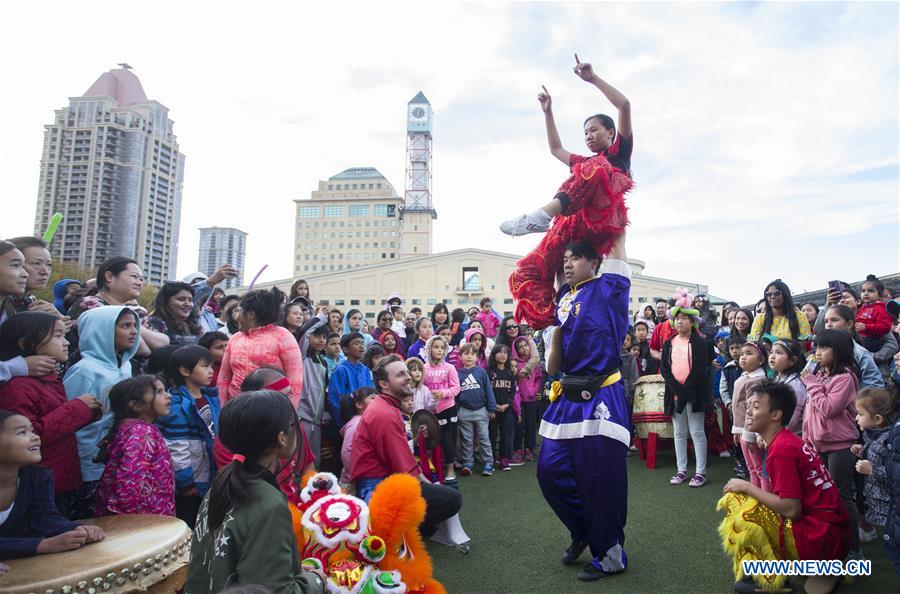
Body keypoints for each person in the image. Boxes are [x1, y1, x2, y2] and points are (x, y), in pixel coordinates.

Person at [505, 56, 633, 330]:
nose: (588, 136)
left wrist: (592, 79)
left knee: (593, 166)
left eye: (594, 130)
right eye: (584, 132)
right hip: (576, 222)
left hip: (604, 222)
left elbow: (624, 105)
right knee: (527, 270)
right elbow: (555, 149)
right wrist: (547, 112)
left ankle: (543, 214)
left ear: (610, 133)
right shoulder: (585, 163)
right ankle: (555, 325)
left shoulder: (615, 155)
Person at [537, 234, 631, 582]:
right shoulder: (562, 299)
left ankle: (610, 554)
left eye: (575, 257)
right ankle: (583, 532)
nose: (567, 262)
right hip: (566, 397)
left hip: (602, 396)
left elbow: (619, 241)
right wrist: (553, 336)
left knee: (601, 482)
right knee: (549, 471)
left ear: (595, 262)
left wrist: (615, 189)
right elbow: (552, 367)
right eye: (566, 258)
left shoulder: (611, 288)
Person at [185, 391, 325, 594]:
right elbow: (274, 591)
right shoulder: (270, 507)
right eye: (296, 422)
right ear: (282, 438)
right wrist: (315, 581)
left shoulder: (224, 480)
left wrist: (292, 570)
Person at [720, 380, 849, 594]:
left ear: (775, 415)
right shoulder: (787, 440)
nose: (748, 411)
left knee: (741, 507)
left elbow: (791, 509)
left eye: (755, 406)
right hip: (830, 534)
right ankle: (824, 568)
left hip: (819, 537)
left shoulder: (782, 449)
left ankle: (776, 579)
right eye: (748, 405)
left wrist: (746, 486)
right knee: (753, 501)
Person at [0, 313, 101, 516]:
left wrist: (88, 412)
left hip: (59, 477)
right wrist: (78, 409)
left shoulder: (48, 379)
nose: (65, 343)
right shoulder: (16, 387)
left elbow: (54, 424)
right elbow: (31, 434)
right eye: (57, 336)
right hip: (40, 482)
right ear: (26, 343)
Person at [349, 356, 462, 536]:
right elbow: (403, 467)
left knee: (440, 494)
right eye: (401, 374)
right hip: (378, 487)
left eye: (407, 372)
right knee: (452, 499)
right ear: (384, 384)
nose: (408, 377)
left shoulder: (387, 407)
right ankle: (402, 530)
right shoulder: (384, 413)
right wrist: (430, 486)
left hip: (386, 479)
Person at [62, 306, 140, 518]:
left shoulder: (126, 366)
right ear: (101, 332)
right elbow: (69, 420)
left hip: (118, 458)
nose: (133, 331)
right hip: (88, 465)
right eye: (125, 326)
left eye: (135, 325)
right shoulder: (85, 370)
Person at [0, 410, 105, 559]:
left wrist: (78, 529)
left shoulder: (37, 477)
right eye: (22, 432)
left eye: (33, 431)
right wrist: (40, 545)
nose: (35, 437)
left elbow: (45, 519)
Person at [802, 328, 862, 558]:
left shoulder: (844, 377)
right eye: (816, 347)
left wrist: (810, 383)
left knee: (841, 496)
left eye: (824, 348)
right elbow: (811, 413)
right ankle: (834, 543)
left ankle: (854, 550)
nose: (818, 353)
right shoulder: (820, 376)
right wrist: (807, 438)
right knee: (825, 497)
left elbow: (828, 409)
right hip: (818, 446)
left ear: (839, 351)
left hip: (840, 447)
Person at [157, 345, 220, 527]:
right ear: (184, 370)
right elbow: (177, 447)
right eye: (204, 366)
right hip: (192, 481)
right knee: (190, 522)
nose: (210, 371)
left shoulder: (209, 397)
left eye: (210, 366)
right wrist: (185, 482)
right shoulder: (179, 405)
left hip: (207, 474)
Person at [94, 375, 174, 516]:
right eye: (159, 392)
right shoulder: (142, 433)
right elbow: (130, 482)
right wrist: (130, 522)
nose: (168, 396)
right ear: (136, 405)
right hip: (142, 522)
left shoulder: (132, 428)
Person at [217, 288, 304, 408]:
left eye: (240, 310)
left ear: (251, 314)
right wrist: (223, 410)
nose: (236, 317)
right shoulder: (235, 339)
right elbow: (224, 379)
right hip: (235, 411)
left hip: (270, 412)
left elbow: (295, 382)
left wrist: (287, 416)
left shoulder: (283, 337)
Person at [659, 297, 710, 488]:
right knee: (679, 432)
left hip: (694, 393)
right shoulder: (669, 343)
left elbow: (699, 369)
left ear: (692, 322)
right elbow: (665, 369)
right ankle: (682, 470)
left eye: (685, 318)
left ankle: (700, 472)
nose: (680, 321)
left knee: (696, 431)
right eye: (677, 318)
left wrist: (685, 390)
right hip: (674, 395)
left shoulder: (699, 342)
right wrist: (678, 391)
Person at [852, 387, 894, 545]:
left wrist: (871, 470)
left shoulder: (888, 440)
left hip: (888, 508)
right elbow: (875, 455)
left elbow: (894, 472)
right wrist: (862, 451)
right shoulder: (872, 435)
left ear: (877, 419)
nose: (856, 418)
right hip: (876, 504)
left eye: (861, 414)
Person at [423, 335, 461, 482]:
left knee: (447, 441)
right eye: (435, 347)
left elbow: (456, 388)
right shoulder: (424, 368)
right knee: (431, 442)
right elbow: (420, 387)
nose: (439, 350)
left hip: (447, 409)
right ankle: (433, 469)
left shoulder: (450, 367)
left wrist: (444, 393)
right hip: (429, 412)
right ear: (429, 349)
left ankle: (450, 469)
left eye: (442, 347)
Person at [456, 342, 497, 477]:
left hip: (481, 410)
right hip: (464, 411)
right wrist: (456, 411)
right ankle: (468, 462)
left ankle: (488, 463)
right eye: (466, 354)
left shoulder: (481, 372)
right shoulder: (457, 373)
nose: (469, 357)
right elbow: (456, 394)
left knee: (484, 438)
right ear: (460, 356)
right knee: (466, 439)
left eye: (473, 354)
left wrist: (491, 408)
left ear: (477, 357)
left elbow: (488, 390)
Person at [821, 305, 886, 388]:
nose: (829, 325)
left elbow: (875, 385)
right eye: (826, 321)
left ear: (849, 324)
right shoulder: (820, 352)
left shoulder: (860, 353)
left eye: (834, 320)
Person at [327, 332, 373, 428]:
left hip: (366, 420)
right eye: (356, 343)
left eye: (362, 343)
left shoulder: (365, 370)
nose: (361, 346)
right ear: (345, 349)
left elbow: (371, 394)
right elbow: (335, 400)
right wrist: (344, 425)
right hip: (348, 422)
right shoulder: (341, 370)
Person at [299, 325, 330, 465]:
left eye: (324, 337)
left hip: (317, 418)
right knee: (300, 458)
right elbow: (306, 331)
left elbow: (324, 389)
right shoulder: (303, 355)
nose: (321, 340)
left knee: (314, 460)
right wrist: (321, 317)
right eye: (317, 336)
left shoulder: (323, 362)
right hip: (302, 415)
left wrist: (325, 412)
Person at [338, 387, 376, 490]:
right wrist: (357, 473)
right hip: (352, 484)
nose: (378, 400)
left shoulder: (367, 422)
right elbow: (346, 452)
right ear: (359, 404)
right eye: (373, 398)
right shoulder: (356, 424)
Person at [512, 334, 543, 463]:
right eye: (520, 347)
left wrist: (535, 390)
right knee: (519, 425)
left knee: (530, 425)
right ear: (516, 350)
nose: (524, 349)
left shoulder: (534, 362)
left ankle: (529, 449)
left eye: (525, 346)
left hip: (531, 399)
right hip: (518, 400)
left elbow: (538, 378)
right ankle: (517, 449)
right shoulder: (514, 363)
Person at [6, 237, 56, 315]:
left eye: (49, 265)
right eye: (36, 263)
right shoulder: (4, 305)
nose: (45, 272)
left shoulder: (31, 302)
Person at [768, 339, 807, 435]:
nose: (772, 356)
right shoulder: (775, 379)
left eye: (778, 352)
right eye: (771, 352)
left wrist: (774, 435)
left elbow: (792, 418)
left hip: (789, 435)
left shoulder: (796, 384)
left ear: (792, 361)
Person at [146, 281, 203, 346]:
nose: (187, 304)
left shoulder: (194, 325)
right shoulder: (155, 324)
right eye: (181, 299)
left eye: (190, 300)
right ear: (166, 302)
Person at [488, 344, 517, 471]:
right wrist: (493, 406)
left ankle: (503, 459)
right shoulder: (489, 372)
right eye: (499, 352)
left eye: (505, 352)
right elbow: (486, 391)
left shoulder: (509, 373)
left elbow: (513, 392)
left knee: (505, 434)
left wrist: (507, 404)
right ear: (494, 355)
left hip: (507, 409)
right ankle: (492, 459)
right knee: (492, 434)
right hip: (493, 410)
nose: (503, 355)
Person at [856, 275, 893, 353]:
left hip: (872, 341)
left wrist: (866, 327)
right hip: (861, 339)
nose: (865, 293)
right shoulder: (862, 308)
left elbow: (885, 327)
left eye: (870, 291)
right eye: (863, 291)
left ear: (880, 294)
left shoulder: (881, 308)